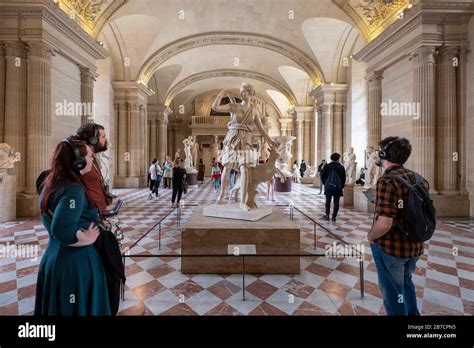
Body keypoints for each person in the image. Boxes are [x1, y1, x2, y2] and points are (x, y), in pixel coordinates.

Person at [35, 139, 110, 315]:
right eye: (90, 157)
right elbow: (62, 228)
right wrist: (87, 238)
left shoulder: (50, 183)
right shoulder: (73, 190)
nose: (92, 160)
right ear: (79, 162)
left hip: (53, 258)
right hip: (75, 264)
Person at [368, 136, 429, 316]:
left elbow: (385, 223)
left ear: (383, 154)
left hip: (392, 247)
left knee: (393, 292)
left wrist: (371, 236)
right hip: (415, 244)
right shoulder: (418, 178)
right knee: (406, 281)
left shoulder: (387, 181)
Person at [211, 83, 277, 210]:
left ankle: (243, 201)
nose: (242, 94)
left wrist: (270, 141)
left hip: (246, 140)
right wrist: (222, 93)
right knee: (227, 167)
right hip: (233, 138)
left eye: (244, 92)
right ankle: (221, 195)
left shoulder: (254, 111)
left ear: (250, 93)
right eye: (241, 92)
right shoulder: (234, 106)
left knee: (245, 169)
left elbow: (261, 129)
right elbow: (215, 107)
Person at [74, 122, 111, 213]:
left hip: (96, 214)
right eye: (103, 137)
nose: (106, 139)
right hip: (88, 215)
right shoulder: (82, 161)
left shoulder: (92, 158)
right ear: (93, 140)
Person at [320, 153, 345, 221]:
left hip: (328, 187)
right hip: (337, 188)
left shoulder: (327, 166)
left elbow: (322, 176)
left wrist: (325, 184)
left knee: (328, 201)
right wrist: (341, 186)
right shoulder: (341, 167)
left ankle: (327, 215)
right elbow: (343, 178)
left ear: (331, 158)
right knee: (336, 202)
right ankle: (334, 216)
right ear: (338, 158)